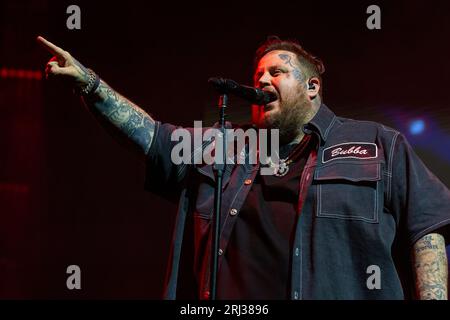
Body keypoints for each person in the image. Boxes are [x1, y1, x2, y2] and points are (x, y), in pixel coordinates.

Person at [37, 35, 450, 300]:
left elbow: (425, 226)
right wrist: (91, 85)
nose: (263, 79)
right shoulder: (225, 145)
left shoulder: (376, 143)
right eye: (258, 74)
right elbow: (153, 138)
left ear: (312, 87)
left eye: (277, 71)